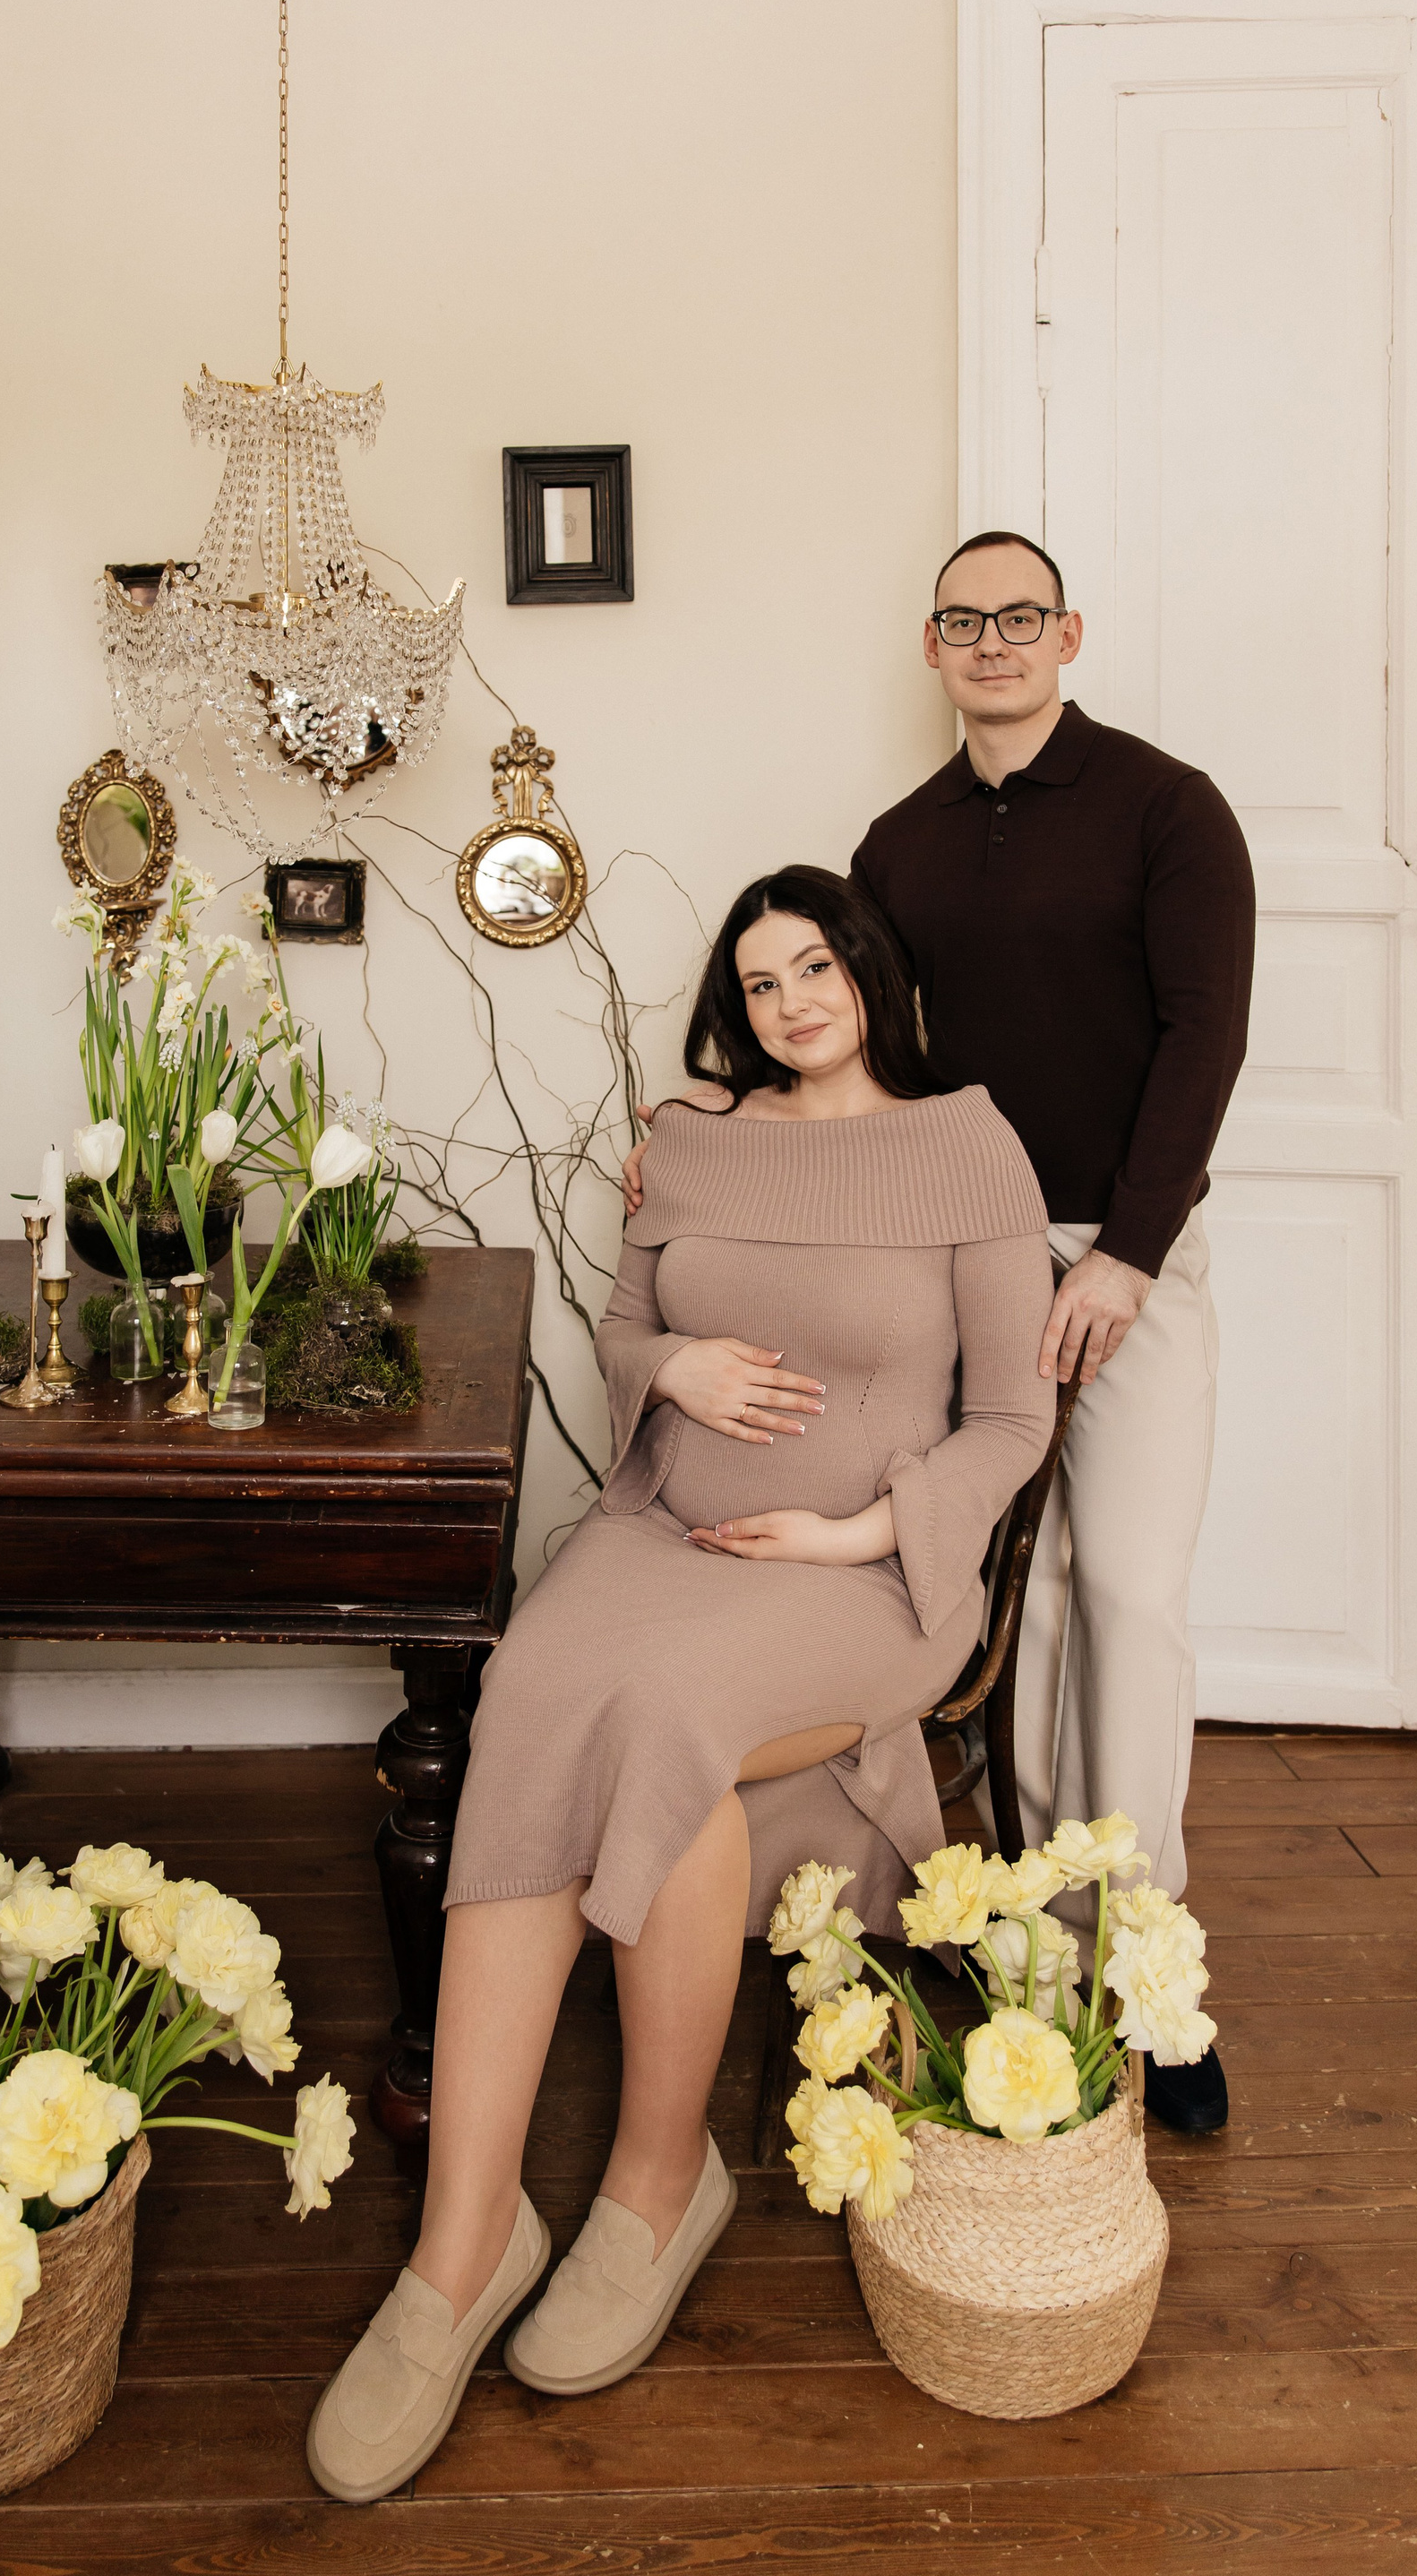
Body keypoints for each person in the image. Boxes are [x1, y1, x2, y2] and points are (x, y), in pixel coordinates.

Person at [307, 866, 1054, 2503]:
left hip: (860, 1581)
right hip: (664, 1534)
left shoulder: (970, 1146)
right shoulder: (696, 1137)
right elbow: (624, 1333)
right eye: (761, 982)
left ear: (871, 971)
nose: (793, 1002)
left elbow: (1012, 1418)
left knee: (662, 1724)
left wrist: (862, 1525)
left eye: (818, 966)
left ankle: (657, 2182)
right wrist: (677, 1366)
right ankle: (462, 2248)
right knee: (526, 1695)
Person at [623, 530, 1254, 2137]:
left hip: (1113, 1249)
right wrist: (709, 1130)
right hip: (943, 1248)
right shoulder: (899, 843)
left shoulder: (1169, 810)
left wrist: (1126, 1254)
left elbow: (1206, 1036)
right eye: (964, 621)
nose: (993, 642)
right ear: (931, 646)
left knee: (1125, 1594)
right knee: (1015, 1606)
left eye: (1020, 617)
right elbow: (850, 1037)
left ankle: (1149, 1979)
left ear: (1068, 634)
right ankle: (1043, 1946)